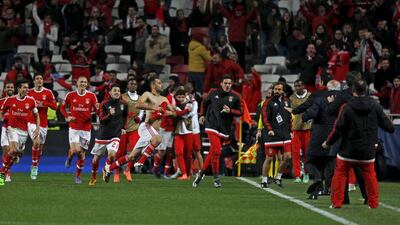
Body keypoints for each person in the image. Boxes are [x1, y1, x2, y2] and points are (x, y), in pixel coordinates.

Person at [323, 79, 395, 209]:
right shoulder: (375, 106)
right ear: (366, 90)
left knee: (340, 174)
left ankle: (336, 202)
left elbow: (338, 128)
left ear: (353, 91)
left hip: (347, 150)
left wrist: (328, 143)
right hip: (367, 150)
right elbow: (390, 127)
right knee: (370, 175)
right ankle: (373, 203)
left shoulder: (347, 107)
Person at [103, 78, 173, 182]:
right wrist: (155, 108)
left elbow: (173, 112)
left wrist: (164, 111)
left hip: (154, 131)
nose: (162, 85)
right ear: (153, 86)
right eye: (159, 83)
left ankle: (108, 168)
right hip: (147, 127)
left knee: (131, 156)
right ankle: (141, 161)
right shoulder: (147, 95)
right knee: (158, 139)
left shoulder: (164, 99)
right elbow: (138, 105)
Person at [193, 74, 242, 188]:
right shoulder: (213, 93)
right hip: (211, 124)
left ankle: (201, 174)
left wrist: (231, 110)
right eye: (225, 83)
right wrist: (202, 115)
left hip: (224, 128)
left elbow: (240, 112)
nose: (227, 85)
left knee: (213, 152)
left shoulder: (235, 97)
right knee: (217, 151)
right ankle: (216, 178)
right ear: (221, 84)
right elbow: (204, 104)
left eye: (229, 83)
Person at [0, 79, 40, 186]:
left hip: (24, 131)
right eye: (25, 87)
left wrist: (37, 128)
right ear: (19, 89)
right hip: (12, 129)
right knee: (12, 149)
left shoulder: (31, 101)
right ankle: (2, 174)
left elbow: (37, 115)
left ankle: (6, 169)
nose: (27, 89)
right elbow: (1, 112)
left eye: (27, 87)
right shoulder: (9, 100)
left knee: (16, 154)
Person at [59, 76, 99, 184]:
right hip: (74, 127)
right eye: (81, 82)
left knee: (81, 154)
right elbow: (62, 107)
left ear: (87, 84)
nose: (83, 83)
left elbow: (97, 109)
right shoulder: (71, 95)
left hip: (86, 129)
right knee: (76, 150)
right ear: (77, 83)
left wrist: (99, 110)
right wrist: (67, 116)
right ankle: (70, 156)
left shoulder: (91, 96)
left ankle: (78, 175)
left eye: (85, 82)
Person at [89, 84, 127, 186]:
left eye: (118, 91)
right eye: (114, 90)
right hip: (103, 136)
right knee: (95, 159)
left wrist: (123, 128)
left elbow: (125, 117)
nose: (116, 92)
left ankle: (106, 168)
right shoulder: (104, 104)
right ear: (110, 92)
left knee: (112, 155)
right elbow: (101, 120)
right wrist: (110, 114)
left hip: (115, 135)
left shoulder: (123, 104)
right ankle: (93, 177)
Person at [260, 82, 292, 188]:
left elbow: (289, 118)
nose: (277, 91)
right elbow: (265, 117)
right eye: (275, 89)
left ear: (283, 91)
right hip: (272, 135)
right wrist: (269, 129)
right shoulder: (268, 102)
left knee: (287, 157)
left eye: (279, 89)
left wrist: (291, 131)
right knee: (269, 158)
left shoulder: (287, 102)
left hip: (285, 134)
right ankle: (264, 180)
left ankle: (278, 177)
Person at [26, 74, 57, 180]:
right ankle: (34, 167)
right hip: (32, 121)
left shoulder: (48, 92)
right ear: (34, 81)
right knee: (36, 142)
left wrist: (44, 103)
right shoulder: (29, 92)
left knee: (40, 149)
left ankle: (36, 164)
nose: (39, 80)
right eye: (37, 79)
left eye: (41, 79)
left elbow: (55, 106)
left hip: (43, 123)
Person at [113, 78, 143, 182]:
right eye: (131, 83)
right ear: (127, 85)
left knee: (136, 151)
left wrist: (140, 117)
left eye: (135, 83)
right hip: (123, 128)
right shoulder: (122, 96)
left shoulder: (140, 98)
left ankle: (127, 170)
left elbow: (142, 110)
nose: (134, 85)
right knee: (120, 152)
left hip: (135, 128)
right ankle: (116, 172)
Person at [289, 80, 311, 183]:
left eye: (299, 85)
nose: (297, 88)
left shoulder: (310, 96)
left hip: (307, 129)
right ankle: (297, 175)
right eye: (295, 86)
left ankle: (306, 174)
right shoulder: (291, 98)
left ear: (303, 85)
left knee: (307, 153)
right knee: (295, 153)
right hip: (296, 129)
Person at [0, 82, 14, 182]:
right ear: (5, 89)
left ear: (14, 89)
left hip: (16, 129)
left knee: (13, 153)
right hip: (5, 128)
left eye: (11, 87)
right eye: (8, 87)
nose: (10, 88)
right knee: (6, 151)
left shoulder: (17, 100)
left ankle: (5, 171)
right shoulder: (1, 102)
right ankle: (6, 174)